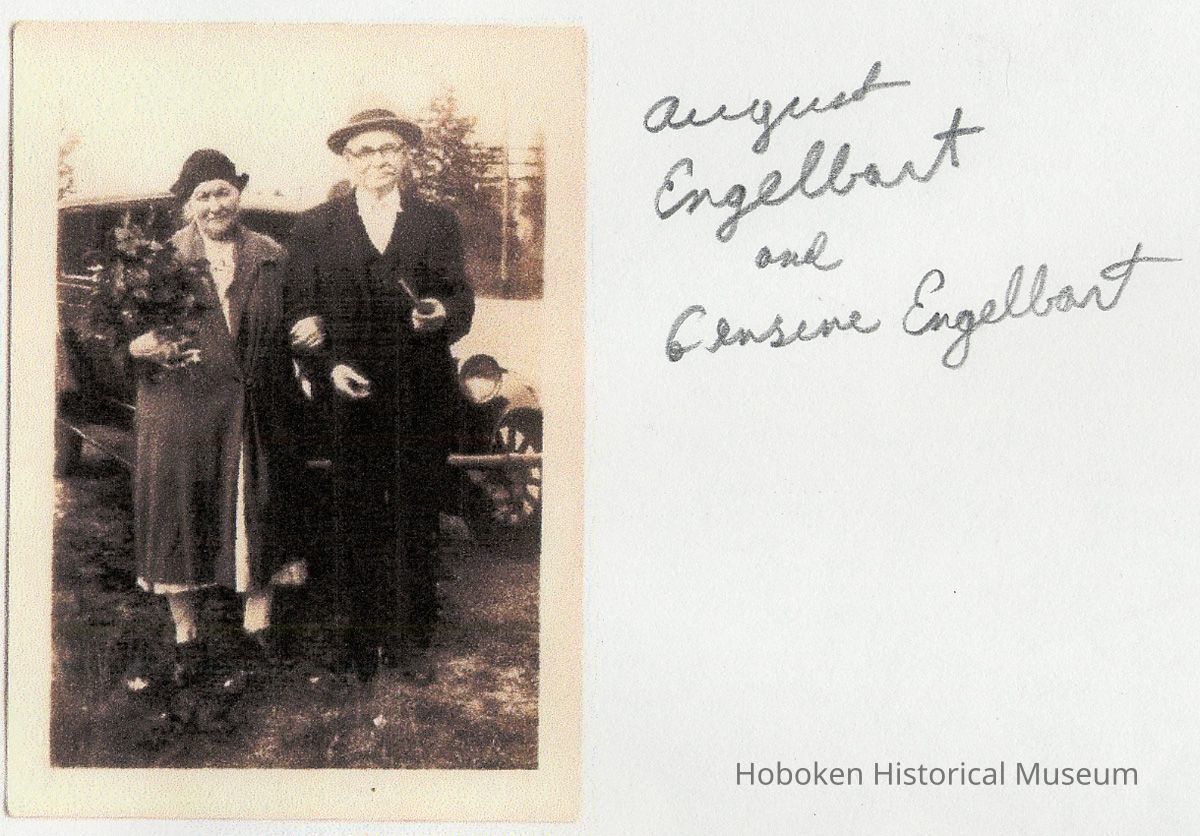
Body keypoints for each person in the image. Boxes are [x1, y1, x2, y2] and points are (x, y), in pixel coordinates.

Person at [284, 109, 474, 683]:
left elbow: (461, 301)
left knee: (416, 511)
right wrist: (329, 366)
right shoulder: (316, 227)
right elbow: (299, 312)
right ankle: (359, 639)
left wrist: (440, 313)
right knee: (355, 513)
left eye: (389, 148)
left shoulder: (437, 223)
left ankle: (411, 635)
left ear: (406, 156)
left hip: (421, 393)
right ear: (347, 161)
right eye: (365, 151)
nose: (378, 160)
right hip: (350, 394)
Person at [129, 149, 306, 687]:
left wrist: (311, 329)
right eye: (202, 196)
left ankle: (258, 624)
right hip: (180, 409)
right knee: (181, 514)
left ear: (238, 194)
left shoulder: (271, 255)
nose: (214, 205)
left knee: (257, 508)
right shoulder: (159, 262)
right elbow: (122, 336)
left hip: (254, 406)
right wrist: (137, 346)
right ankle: (187, 635)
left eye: (222, 192)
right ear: (188, 205)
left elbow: (299, 316)